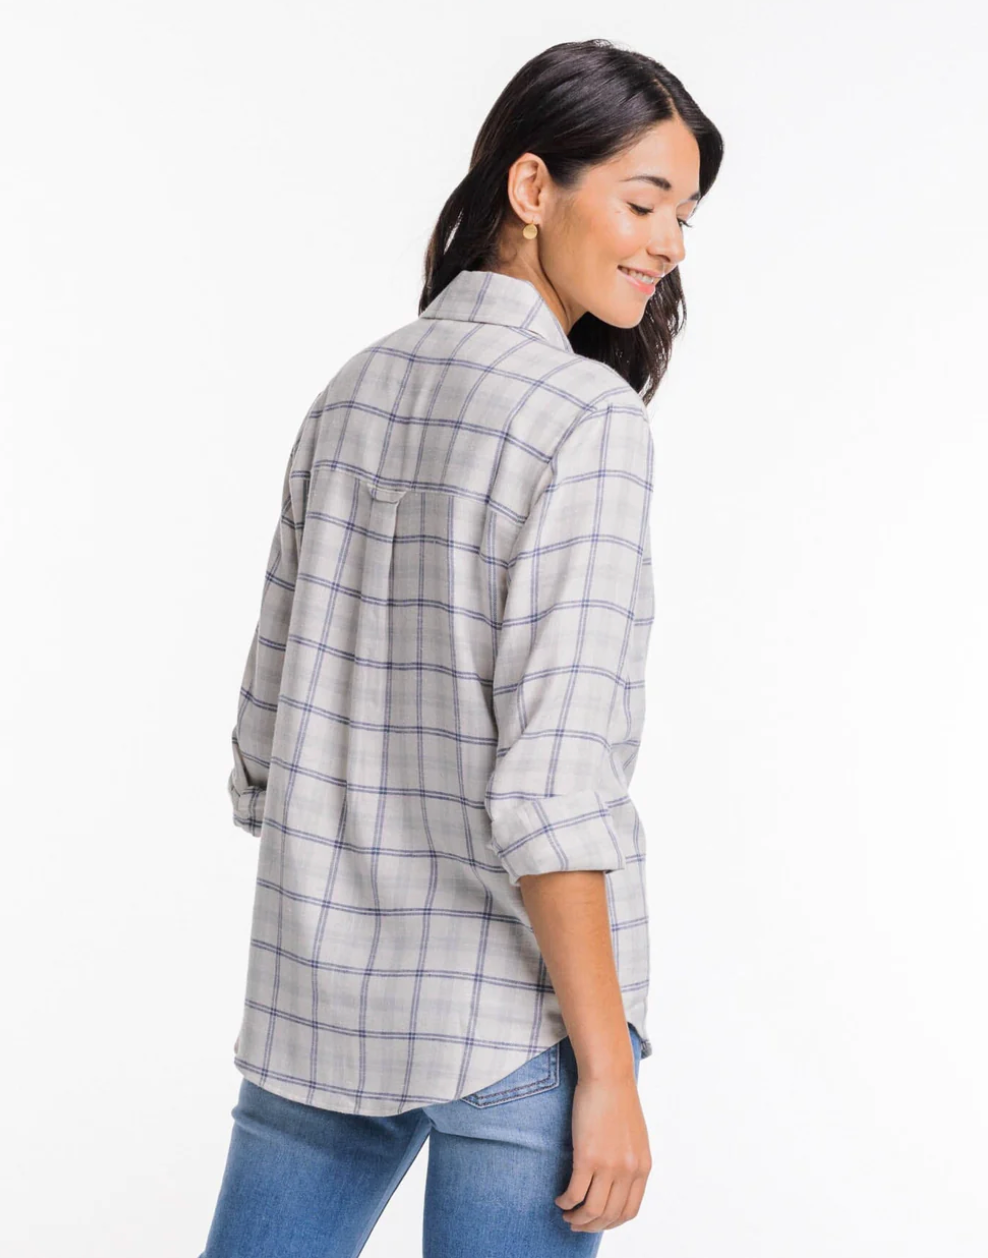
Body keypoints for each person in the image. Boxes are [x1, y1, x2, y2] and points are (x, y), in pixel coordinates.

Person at [199, 36, 723, 1258]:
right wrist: (608, 1072)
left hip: (318, 1001)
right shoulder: (584, 417)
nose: (669, 244)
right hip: (512, 1022)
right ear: (532, 186)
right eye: (645, 201)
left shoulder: (351, 392)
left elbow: (263, 751)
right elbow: (552, 789)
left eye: (686, 217)